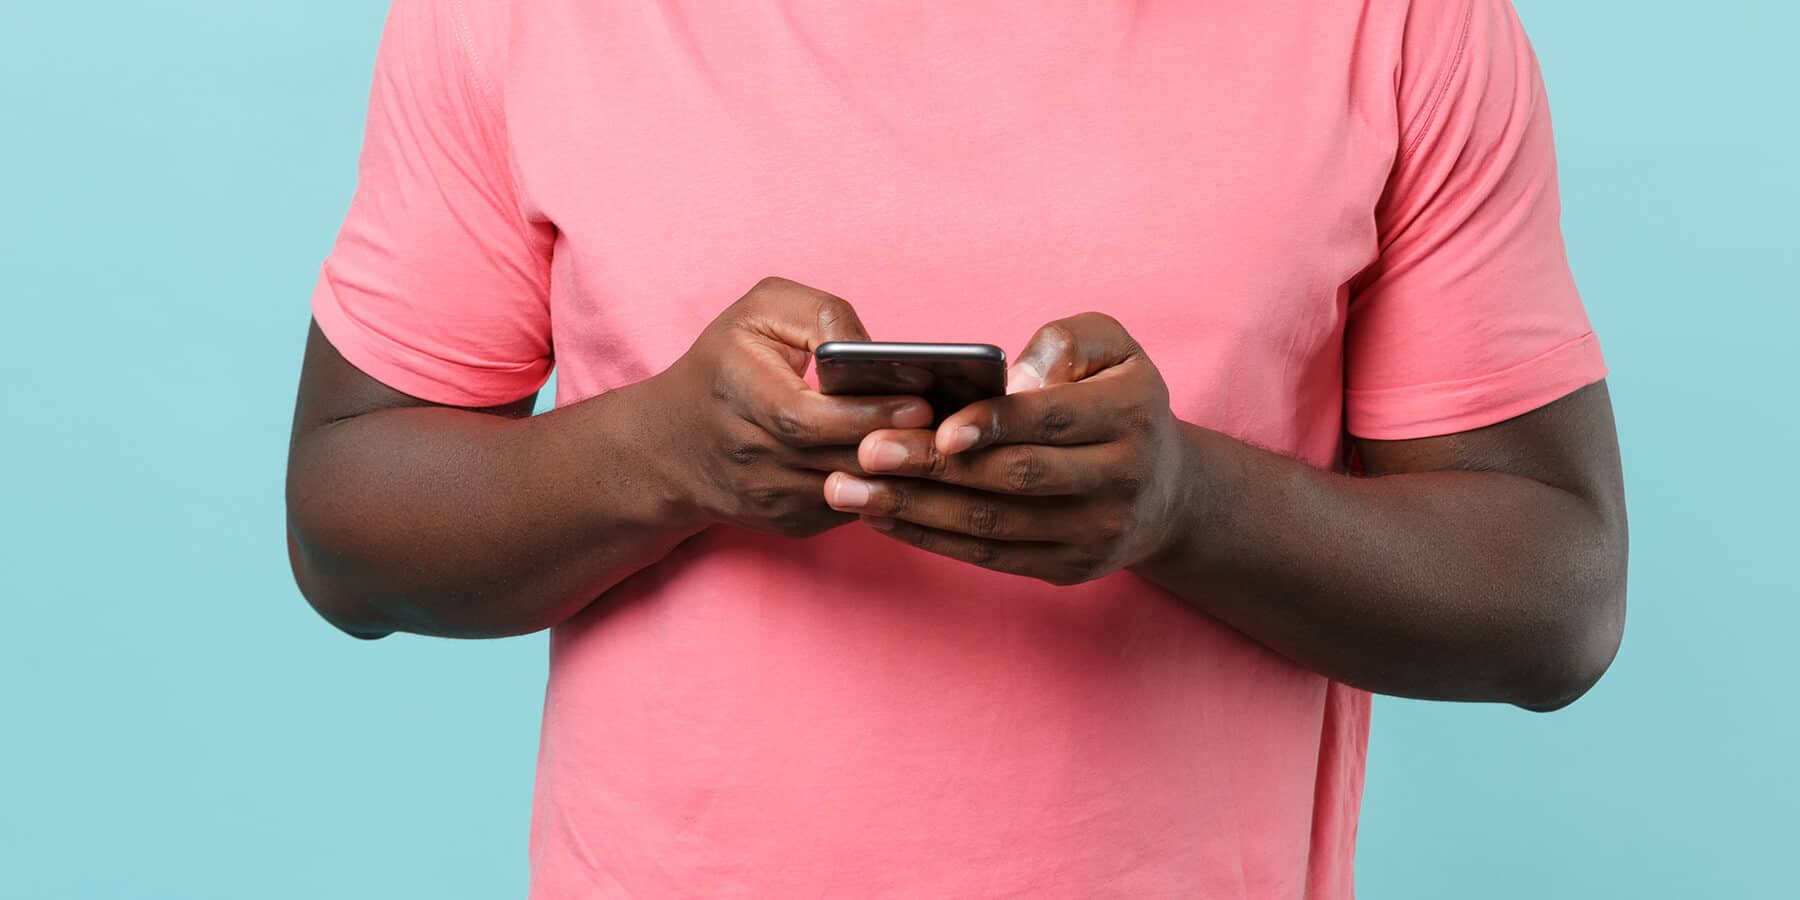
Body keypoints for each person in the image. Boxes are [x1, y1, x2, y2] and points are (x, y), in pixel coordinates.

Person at [285, 0, 1628, 896]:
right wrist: (664, 457)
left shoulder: (1396, 23)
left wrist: (1187, 504)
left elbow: (1551, 601)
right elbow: (347, 530)